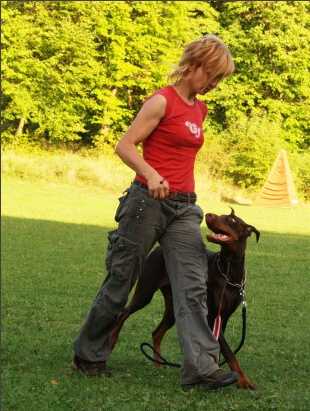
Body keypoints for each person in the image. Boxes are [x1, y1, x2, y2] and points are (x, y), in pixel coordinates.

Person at [72, 34, 239, 391]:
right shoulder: (161, 101)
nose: (214, 85)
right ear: (193, 65)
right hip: (146, 204)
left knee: (193, 285)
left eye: (219, 79)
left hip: (184, 208)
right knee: (121, 281)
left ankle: (201, 368)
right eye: (211, 75)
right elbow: (125, 145)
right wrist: (151, 175)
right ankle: (88, 355)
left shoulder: (200, 109)